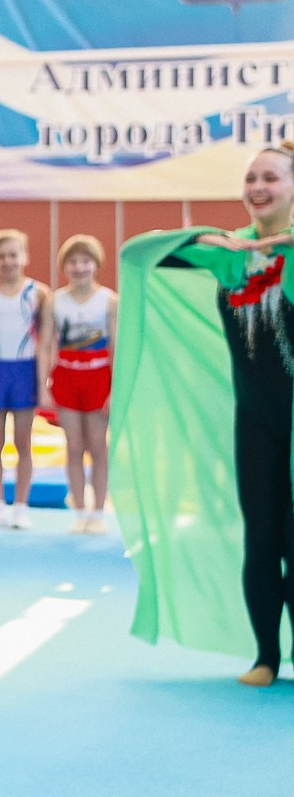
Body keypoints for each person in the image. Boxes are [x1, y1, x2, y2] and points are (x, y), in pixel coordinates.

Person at [119, 148, 294, 685]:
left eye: (272, 177)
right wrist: (201, 236)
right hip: (258, 422)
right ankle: (266, 656)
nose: (258, 186)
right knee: (262, 538)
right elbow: (135, 254)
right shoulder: (230, 256)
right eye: (251, 177)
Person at [0, 229, 45, 529]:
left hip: (24, 369)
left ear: (25, 257)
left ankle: (21, 506)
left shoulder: (38, 294)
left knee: (23, 441)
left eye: (13, 255)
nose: (7, 261)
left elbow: (46, 340)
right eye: (1, 256)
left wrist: (42, 384)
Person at [47, 234, 116, 535]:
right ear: (65, 267)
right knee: (74, 447)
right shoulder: (55, 301)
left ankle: (98, 512)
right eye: (73, 262)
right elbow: (47, 345)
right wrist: (43, 385)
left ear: (96, 265)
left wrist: (115, 390)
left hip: (99, 376)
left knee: (98, 447)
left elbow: (117, 347)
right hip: (66, 375)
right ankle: (79, 511)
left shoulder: (109, 300)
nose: (79, 267)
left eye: (85, 261)